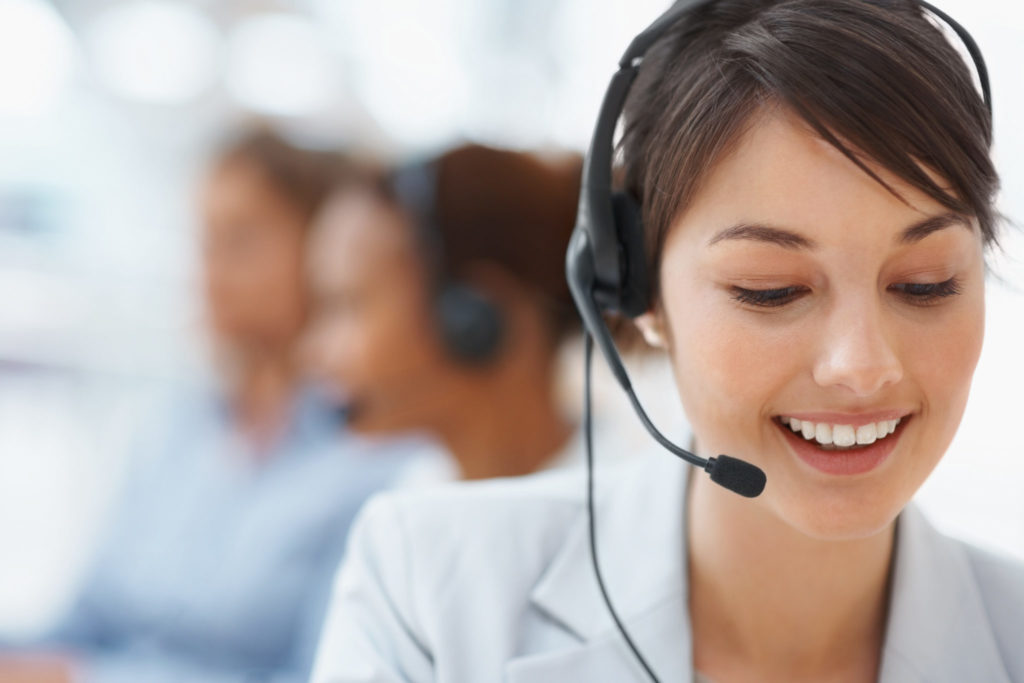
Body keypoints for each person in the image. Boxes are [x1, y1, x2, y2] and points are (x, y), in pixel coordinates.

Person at [309, 1, 1024, 682]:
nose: (862, 366)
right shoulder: (427, 590)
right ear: (638, 289)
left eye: (926, 284)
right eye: (771, 289)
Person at [0, 129, 411, 683]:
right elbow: (86, 622)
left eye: (240, 242)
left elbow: (321, 675)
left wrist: (85, 679)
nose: (209, 272)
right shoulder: (174, 425)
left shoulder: (377, 459)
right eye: (205, 242)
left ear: (324, 251)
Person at [303, 144, 587, 483]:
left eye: (348, 306)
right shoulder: (412, 496)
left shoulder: (634, 506)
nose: (312, 351)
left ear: (473, 318)